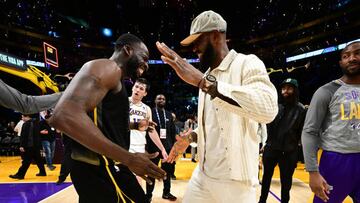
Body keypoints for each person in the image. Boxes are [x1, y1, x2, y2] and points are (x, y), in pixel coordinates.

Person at [156, 10, 278, 202]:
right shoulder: (205, 76)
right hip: (203, 176)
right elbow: (216, 124)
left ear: (215, 35)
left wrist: (205, 84)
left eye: (198, 41)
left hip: (236, 184)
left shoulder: (247, 63)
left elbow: (268, 109)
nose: (194, 48)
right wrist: (192, 136)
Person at [48, 33, 166, 203]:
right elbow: (64, 116)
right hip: (101, 167)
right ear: (127, 50)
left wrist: (135, 125)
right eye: (144, 58)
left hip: (106, 167)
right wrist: (129, 158)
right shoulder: (108, 68)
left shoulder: (115, 77)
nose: (146, 65)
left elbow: (104, 122)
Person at [302, 41, 360, 203]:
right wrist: (313, 171)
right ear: (341, 63)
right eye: (346, 56)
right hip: (336, 161)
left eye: (357, 53)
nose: (351, 58)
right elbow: (309, 132)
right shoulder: (326, 91)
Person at [259, 78, 306, 203]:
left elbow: (302, 132)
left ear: (295, 90)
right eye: (284, 88)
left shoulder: (301, 110)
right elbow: (266, 125)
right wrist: (265, 142)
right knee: (266, 178)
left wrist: (299, 152)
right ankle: (262, 200)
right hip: (271, 148)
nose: (285, 91)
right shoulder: (276, 106)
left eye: (289, 88)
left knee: (286, 182)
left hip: (289, 151)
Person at [129, 78, 168, 182]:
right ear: (132, 88)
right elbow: (117, 124)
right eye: (136, 87)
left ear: (145, 93)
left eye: (141, 88)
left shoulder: (146, 109)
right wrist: (136, 125)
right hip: (123, 145)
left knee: (138, 181)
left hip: (139, 147)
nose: (137, 90)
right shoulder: (123, 102)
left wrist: (162, 148)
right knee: (122, 179)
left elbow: (151, 130)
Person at [146, 94, 177, 202]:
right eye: (159, 98)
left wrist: (174, 147)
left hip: (167, 148)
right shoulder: (151, 113)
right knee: (151, 172)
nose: (161, 100)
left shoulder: (169, 115)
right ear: (155, 100)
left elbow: (172, 132)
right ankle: (148, 195)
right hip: (152, 148)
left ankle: (166, 193)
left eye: (163, 99)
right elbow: (148, 131)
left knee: (167, 172)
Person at [9, 114, 47, 179]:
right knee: (38, 159)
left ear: (27, 117)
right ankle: (43, 172)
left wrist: (22, 146)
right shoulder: (36, 123)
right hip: (36, 145)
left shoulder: (26, 124)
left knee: (26, 161)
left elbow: (24, 136)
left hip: (29, 145)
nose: (22, 119)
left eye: (23, 117)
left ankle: (20, 175)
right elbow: (38, 135)